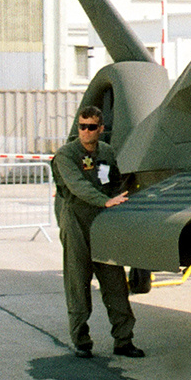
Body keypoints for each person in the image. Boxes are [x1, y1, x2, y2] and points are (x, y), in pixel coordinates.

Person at [52, 106, 143, 358]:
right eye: (82, 126)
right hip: (76, 221)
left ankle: (123, 340)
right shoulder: (66, 156)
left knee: (115, 283)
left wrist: (118, 197)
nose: (86, 132)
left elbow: (114, 182)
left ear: (100, 129)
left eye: (91, 127)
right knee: (78, 283)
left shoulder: (107, 152)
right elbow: (77, 186)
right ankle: (81, 341)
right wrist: (104, 201)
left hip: (103, 222)